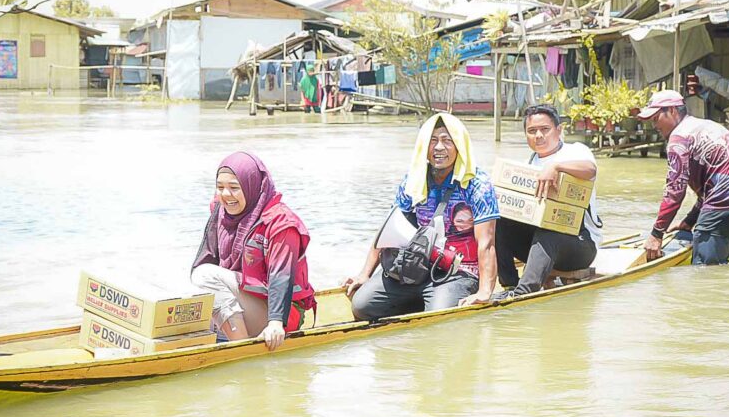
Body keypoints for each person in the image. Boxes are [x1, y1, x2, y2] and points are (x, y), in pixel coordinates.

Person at [344, 113, 499, 318]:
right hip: (416, 266)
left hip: (459, 272)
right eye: (432, 140)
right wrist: (364, 274)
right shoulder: (413, 180)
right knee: (363, 306)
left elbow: (486, 243)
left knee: (437, 318)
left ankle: (434, 301)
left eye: (447, 140)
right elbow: (387, 229)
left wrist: (485, 291)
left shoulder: (477, 184)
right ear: (423, 147)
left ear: (459, 145)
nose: (439, 147)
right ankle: (422, 299)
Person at [190, 152, 317, 351]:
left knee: (204, 276)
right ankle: (229, 332)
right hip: (245, 301)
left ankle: (241, 347)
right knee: (192, 286)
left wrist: (275, 322)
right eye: (220, 187)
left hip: (280, 314)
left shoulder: (280, 223)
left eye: (234, 188)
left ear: (252, 187)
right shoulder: (220, 211)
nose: (225, 195)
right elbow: (207, 256)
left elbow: (280, 276)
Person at [640, 90, 729, 265]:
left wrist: (656, 234)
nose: (654, 125)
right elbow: (712, 186)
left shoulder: (679, 139)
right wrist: (689, 221)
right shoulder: (707, 126)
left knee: (706, 274)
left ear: (673, 111)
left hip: (723, 205)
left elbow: (674, 192)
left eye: (655, 118)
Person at [493, 104, 602, 299]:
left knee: (550, 231)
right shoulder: (530, 163)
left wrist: (557, 167)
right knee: (497, 219)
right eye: (532, 131)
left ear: (558, 130)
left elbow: (590, 169)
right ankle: (509, 284)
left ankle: (523, 293)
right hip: (539, 244)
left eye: (545, 129)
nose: (539, 136)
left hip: (579, 245)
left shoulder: (576, 151)